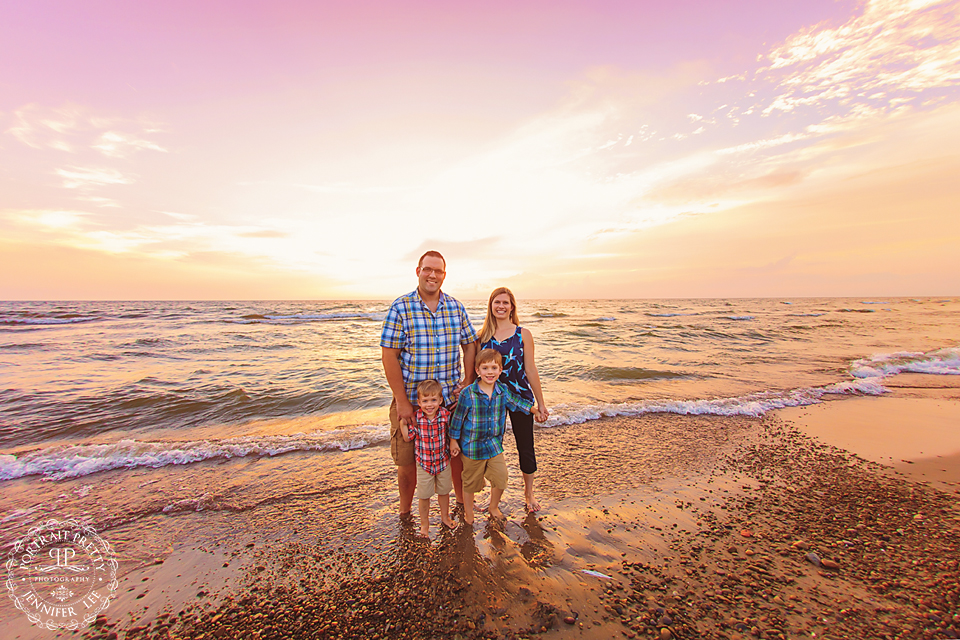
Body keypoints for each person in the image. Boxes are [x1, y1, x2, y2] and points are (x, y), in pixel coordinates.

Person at [380, 250, 478, 517]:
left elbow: (471, 344)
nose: (432, 275)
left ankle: (460, 504)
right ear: (418, 271)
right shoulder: (401, 307)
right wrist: (401, 401)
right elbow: (389, 355)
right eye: (428, 269)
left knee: (455, 454)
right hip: (412, 401)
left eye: (438, 271)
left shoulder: (456, 308)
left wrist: (468, 381)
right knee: (407, 459)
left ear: (444, 275)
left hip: (450, 401)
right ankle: (405, 512)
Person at [478, 287, 549, 512]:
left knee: (525, 447)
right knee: (490, 446)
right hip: (492, 399)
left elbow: (530, 369)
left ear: (512, 307)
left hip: (521, 398)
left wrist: (541, 403)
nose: (501, 306)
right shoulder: (482, 337)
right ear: (491, 305)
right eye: (497, 302)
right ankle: (493, 498)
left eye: (505, 303)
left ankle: (529, 494)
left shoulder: (523, 334)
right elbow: (475, 370)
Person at [449, 348, 537, 525]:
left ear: (501, 370)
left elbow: (517, 403)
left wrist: (535, 410)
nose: (490, 372)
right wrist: (453, 441)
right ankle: (468, 513)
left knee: (501, 478)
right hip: (472, 447)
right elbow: (457, 419)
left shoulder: (502, 390)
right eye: (485, 368)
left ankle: (493, 507)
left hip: (494, 446)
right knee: (470, 482)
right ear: (477, 371)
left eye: (494, 368)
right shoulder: (468, 393)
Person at [402, 380, 457, 537]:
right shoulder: (417, 418)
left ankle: (445, 517)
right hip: (424, 464)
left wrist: (454, 445)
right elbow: (408, 437)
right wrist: (403, 425)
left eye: (433, 400)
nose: (429, 405)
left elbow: (452, 433)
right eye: (425, 401)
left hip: (443, 461)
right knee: (424, 496)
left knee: (444, 492)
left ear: (440, 400)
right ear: (419, 402)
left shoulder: (445, 415)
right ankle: (424, 524)